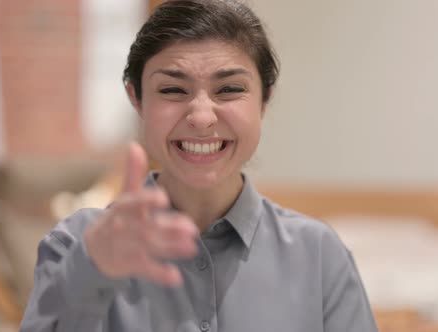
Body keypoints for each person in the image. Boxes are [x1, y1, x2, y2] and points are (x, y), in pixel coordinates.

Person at [20, 1, 379, 331]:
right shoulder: (77, 244)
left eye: (229, 90)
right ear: (137, 100)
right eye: (173, 91)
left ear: (264, 100)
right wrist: (90, 272)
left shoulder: (318, 255)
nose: (202, 117)